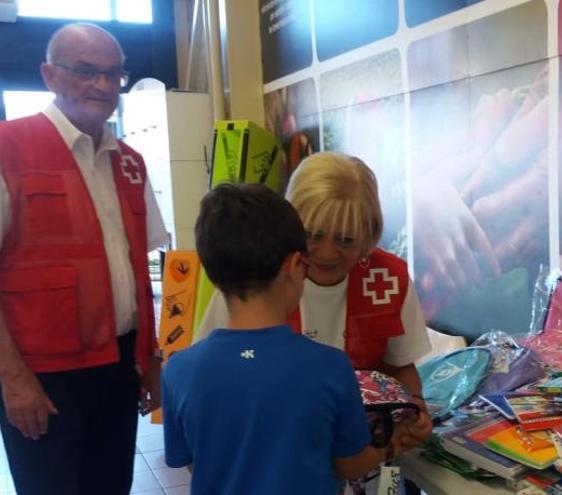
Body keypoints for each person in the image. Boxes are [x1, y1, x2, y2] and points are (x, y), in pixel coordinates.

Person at [0, 23, 168, 494]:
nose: (101, 85)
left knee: (111, 484)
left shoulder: (130, 161)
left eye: (112, 74)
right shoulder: (7, 149)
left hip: (117, 366)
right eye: (85, 71)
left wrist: (150, 358)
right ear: (50, 75)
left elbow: (139, 272)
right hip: (41, 377)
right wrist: (12, 379)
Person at [163, 183, 395, 494]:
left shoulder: (178, 371)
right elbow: (348, 463)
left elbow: (192, 461)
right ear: (295, 266)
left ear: (208, 268)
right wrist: (390, 447)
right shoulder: (329, 366)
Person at [195, 151, 433, 451]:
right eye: (313, 235)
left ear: (368, 234)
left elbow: (401, 365)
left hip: (364, 449)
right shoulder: (257, 272)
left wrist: (417, 408)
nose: (326, 253)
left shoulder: (389, 278)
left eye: (346, 240)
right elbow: (210, 368)